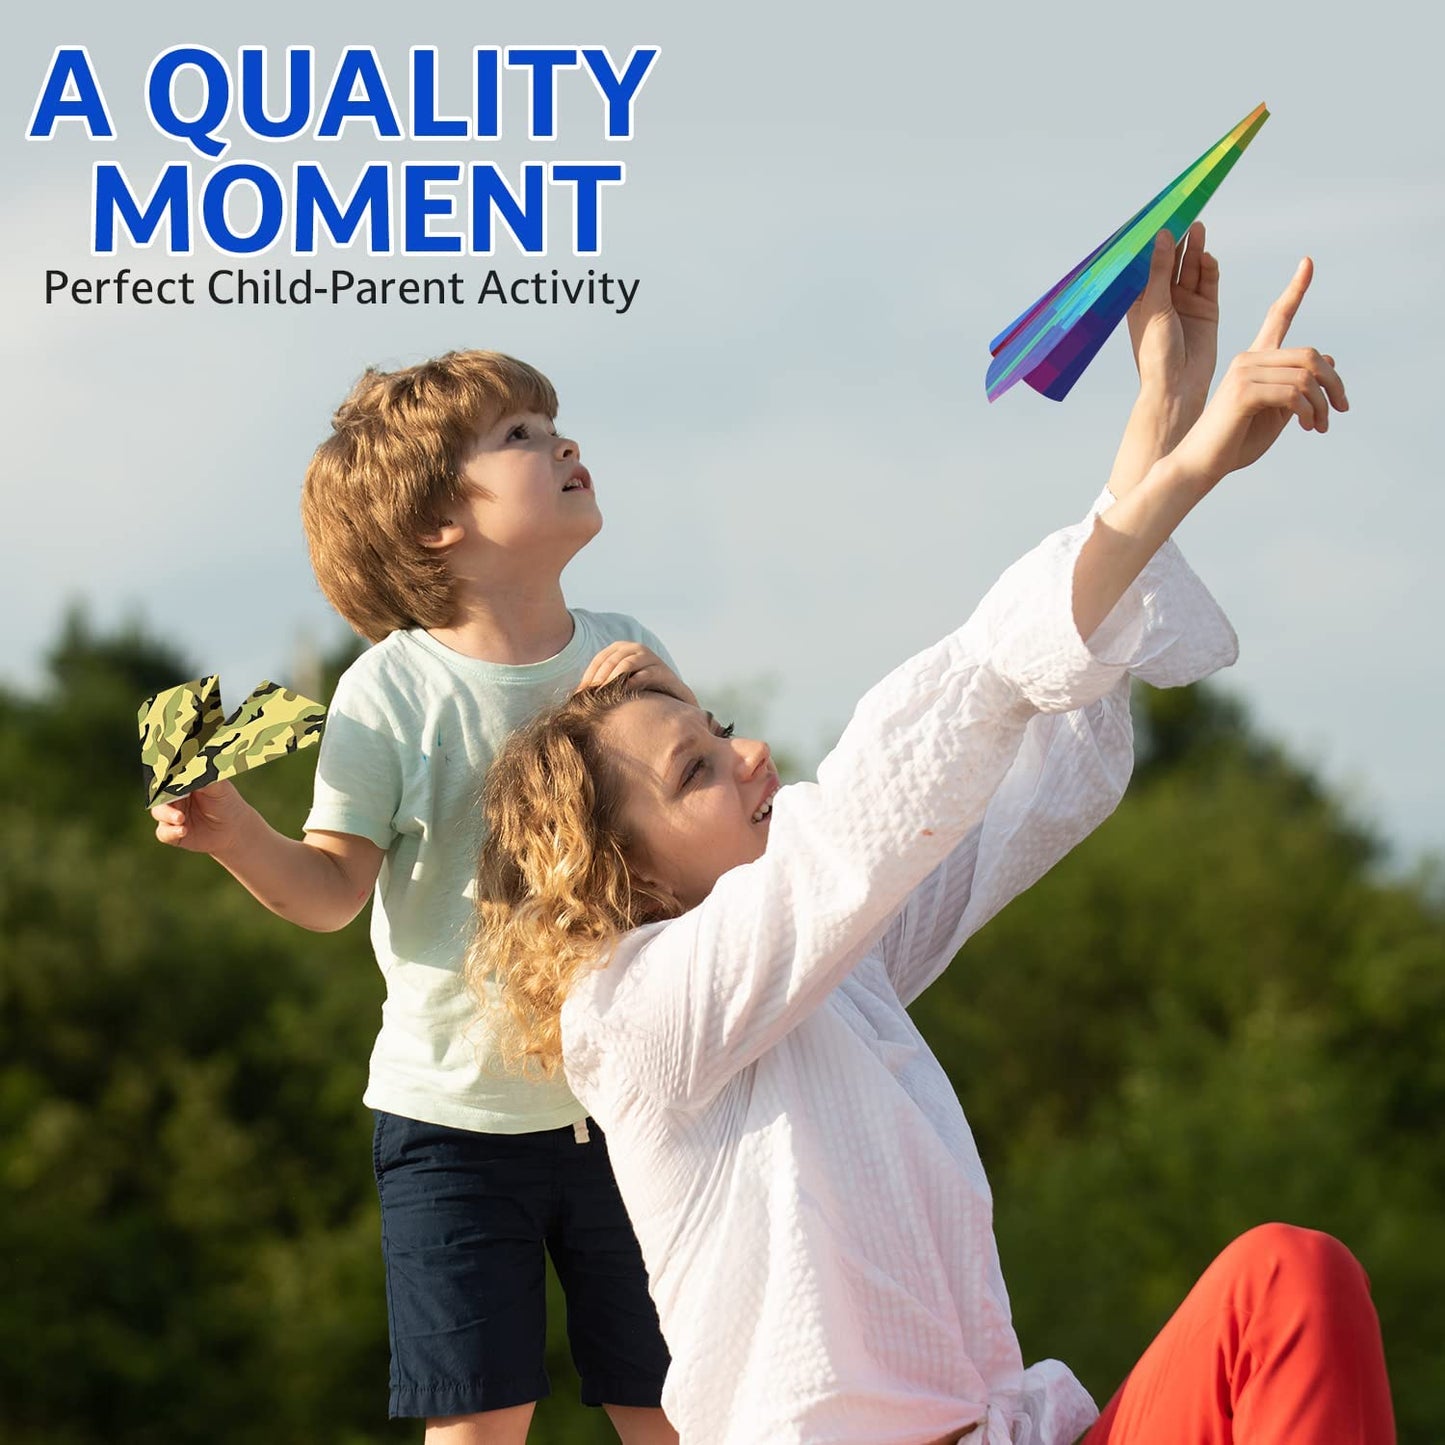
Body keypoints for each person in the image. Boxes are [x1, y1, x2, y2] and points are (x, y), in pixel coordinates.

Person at [470, 245, 1395, 1444]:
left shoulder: (834, 974)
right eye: (695, 769)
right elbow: (891, 779)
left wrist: (1159, 424)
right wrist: (1191, 466)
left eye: (724, 730)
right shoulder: (635, 1020)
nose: (751, 758)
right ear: (626, 872)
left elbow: (1024, 769)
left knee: (1284, 1279)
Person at [150, 351, 681, 1444]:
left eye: (552, 421)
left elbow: (692, 849)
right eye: (521, 436)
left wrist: (647, 713)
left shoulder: (628, 657)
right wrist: (238, 834)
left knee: (678, 1402)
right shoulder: (390, 690)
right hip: (452, 1121)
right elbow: (334, 889)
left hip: (633, 1097)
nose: (562, 442)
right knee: (477, 1421)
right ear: (439, 519)